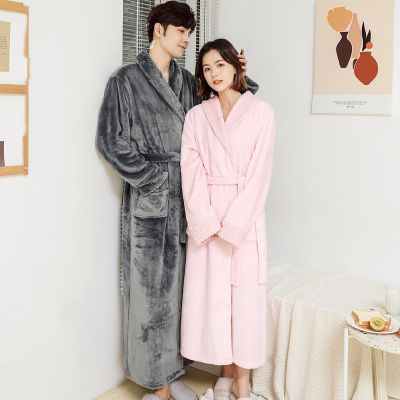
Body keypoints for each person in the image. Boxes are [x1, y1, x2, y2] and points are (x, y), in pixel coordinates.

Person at [96, 2, 258, 400]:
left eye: (189, 32)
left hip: (191, 200)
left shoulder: (187, 81)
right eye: (181, 32)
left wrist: (241, 75)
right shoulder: (125, 80)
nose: (187, 40)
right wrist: (152, 179)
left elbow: (227, 108)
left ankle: (171, 375)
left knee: (183, 294)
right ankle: (157, 387)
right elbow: (110, 140)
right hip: (152, 204)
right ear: (158, 30)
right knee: (150, 294)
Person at [180, 39, 275, 400]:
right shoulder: (196, 116)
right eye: (206, 68)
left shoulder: (262, 113)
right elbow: (190, 170)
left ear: (236, 66)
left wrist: (235, 223)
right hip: (209, 212)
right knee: (215, 298)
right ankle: (224, 371)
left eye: (220, 65)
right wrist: (204, 219)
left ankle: (242, 380)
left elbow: (260, 173)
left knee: (245, 298)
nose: (213, 73)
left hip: (244, 215)